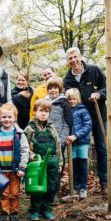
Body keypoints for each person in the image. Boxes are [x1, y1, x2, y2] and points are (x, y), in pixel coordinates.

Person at [62, 47, 108, 194]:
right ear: (67, 61)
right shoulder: (67, 80)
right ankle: (78, 185)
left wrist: (99, 94)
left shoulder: (94, 70)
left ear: (81, 57)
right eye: (70, 58)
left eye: (75, 57)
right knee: (77, 152)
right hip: (79, 122)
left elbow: (108, 88)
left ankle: (104, 182)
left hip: (97, 115)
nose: (73, 60)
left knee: (101, 147)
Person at [24, 99, 62, 221]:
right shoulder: (30, 128)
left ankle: (46, 209)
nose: (43, 114)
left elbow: (57, 144)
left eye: (46, 111)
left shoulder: (51, 128)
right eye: (40, 111)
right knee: (38, 186)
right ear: (35, 111)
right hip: (38, 162)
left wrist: (60, 162)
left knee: (52, 186)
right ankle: (34, 210)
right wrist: (30, 155)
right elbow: (24, 144)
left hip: (52, 161)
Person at [0, 103, 29, 221]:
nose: (7, 119)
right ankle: (4, 213)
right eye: (4, 117)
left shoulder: (19, 134)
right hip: (0, 170)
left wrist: (22, 167)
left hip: (15, 170)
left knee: (14, 192)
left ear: (15, 118)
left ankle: (14, 213)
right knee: (3, 193)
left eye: (9, 117)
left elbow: (25, 151)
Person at [45, 77, 73, 205]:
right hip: (44, 141)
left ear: (60, 89)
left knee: (55, 168)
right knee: (44, 166)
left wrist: (61, 141)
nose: (52, 90)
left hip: (58, 142)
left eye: (55, 88)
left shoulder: (64, 103)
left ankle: (53, 195)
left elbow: (67, 124)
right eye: (50, 88)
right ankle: (43, 193)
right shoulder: (44, 102)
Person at [65, 88, 92, 199]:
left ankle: (83, 188)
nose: (72, 101)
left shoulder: (83, 110)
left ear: (78, 99)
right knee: (73, 165)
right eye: (69, 99)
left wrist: (76, 136)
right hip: (71, 144)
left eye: (74, 99)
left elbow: (87, 126)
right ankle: (74, 186)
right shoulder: (66, 111)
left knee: (82, 164)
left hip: (82, 142)